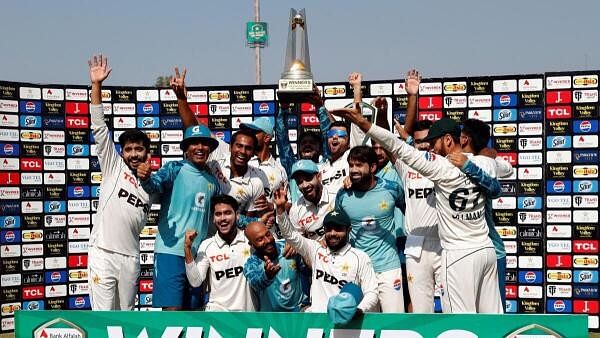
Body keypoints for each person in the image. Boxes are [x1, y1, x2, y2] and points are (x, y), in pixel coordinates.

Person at [331, 105, 504, 313]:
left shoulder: (440, 166)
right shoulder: (486, 163)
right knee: (491, 317)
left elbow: (398, 146)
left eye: (434, 142)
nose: (431, 147)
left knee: (460, 321)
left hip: (456, 252)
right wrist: (474, 161)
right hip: (483, 248)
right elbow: (504, 172)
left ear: (449, 140)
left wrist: (363, 123)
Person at [87, 55, 153, 310]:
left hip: (131, 259)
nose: (134, 154)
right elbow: (99, 128)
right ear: (122, 153)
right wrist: (96, 86)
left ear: (148, 153)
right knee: (104, 320)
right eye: (129, 149)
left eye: (139, 149)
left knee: (125, 320)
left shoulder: (154, 185)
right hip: (103, 253)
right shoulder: (113, 167)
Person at [137, 123, 220, 310]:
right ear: (186, 148)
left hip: (198, 256)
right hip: (170, 252)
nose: (199, 147)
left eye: (204, 143)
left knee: (195, 314)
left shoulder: (213, 183)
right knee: (172, 313)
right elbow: (154, 186)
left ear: (210, 149)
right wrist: (145, 178)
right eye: (194, 143)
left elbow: (219, 217)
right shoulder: (174, 168)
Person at [170, 68, 270, 217]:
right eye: (238, 146)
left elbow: (253, 219)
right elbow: (194, 128)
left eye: (248, 148)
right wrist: (181, 99)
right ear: (230, 146)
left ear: (252, 152)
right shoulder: (218, 156)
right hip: (204, 234)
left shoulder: (257, 179)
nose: (242, 151)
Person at [273, 186, 379, 314]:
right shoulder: (315, 250)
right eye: (329, 229)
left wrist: (358, 310)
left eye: (338, 229)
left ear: (348, 230)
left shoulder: (360, 257)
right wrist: (280, 210)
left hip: (345, 322)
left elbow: (372, 293)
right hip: (317, 322)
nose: (333, 233)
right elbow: (291, 235)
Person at [335, 146, 406, 312]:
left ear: (373, 167)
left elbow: (409, 210)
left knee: (394, 322)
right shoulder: (343, 195)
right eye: (351, 165)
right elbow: (338, 228)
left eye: (359, 165)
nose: (353, 170)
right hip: (359, 270)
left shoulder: (392, 188)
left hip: (389, 267)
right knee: (366, 325)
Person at [184, 195, 258, 311]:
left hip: (248, 317)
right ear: (213, 218)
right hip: (218, 316)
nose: (223, 218)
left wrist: (290, 244)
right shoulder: (207, 245)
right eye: (218, 214)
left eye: (228, 213)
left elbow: (274, 247)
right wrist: (187, 248)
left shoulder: (250, 238)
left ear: (236, 215)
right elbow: (195, 281)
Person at [244, 221, 306, 311]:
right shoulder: (251, 264)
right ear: (251, 244)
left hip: (299, 312)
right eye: (260, 239)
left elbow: (308, 269)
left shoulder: (287, 247)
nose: (268, 240)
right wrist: (267, 276)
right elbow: (256, 283)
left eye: (268, 234)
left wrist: (299, 248)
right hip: (272, 319)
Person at [287, 160, 335, 240]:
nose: (305, 185)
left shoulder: (336, 196)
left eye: (308, 178)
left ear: (319, 177)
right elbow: (301, 244)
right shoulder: (295, 210)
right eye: (300, 182)